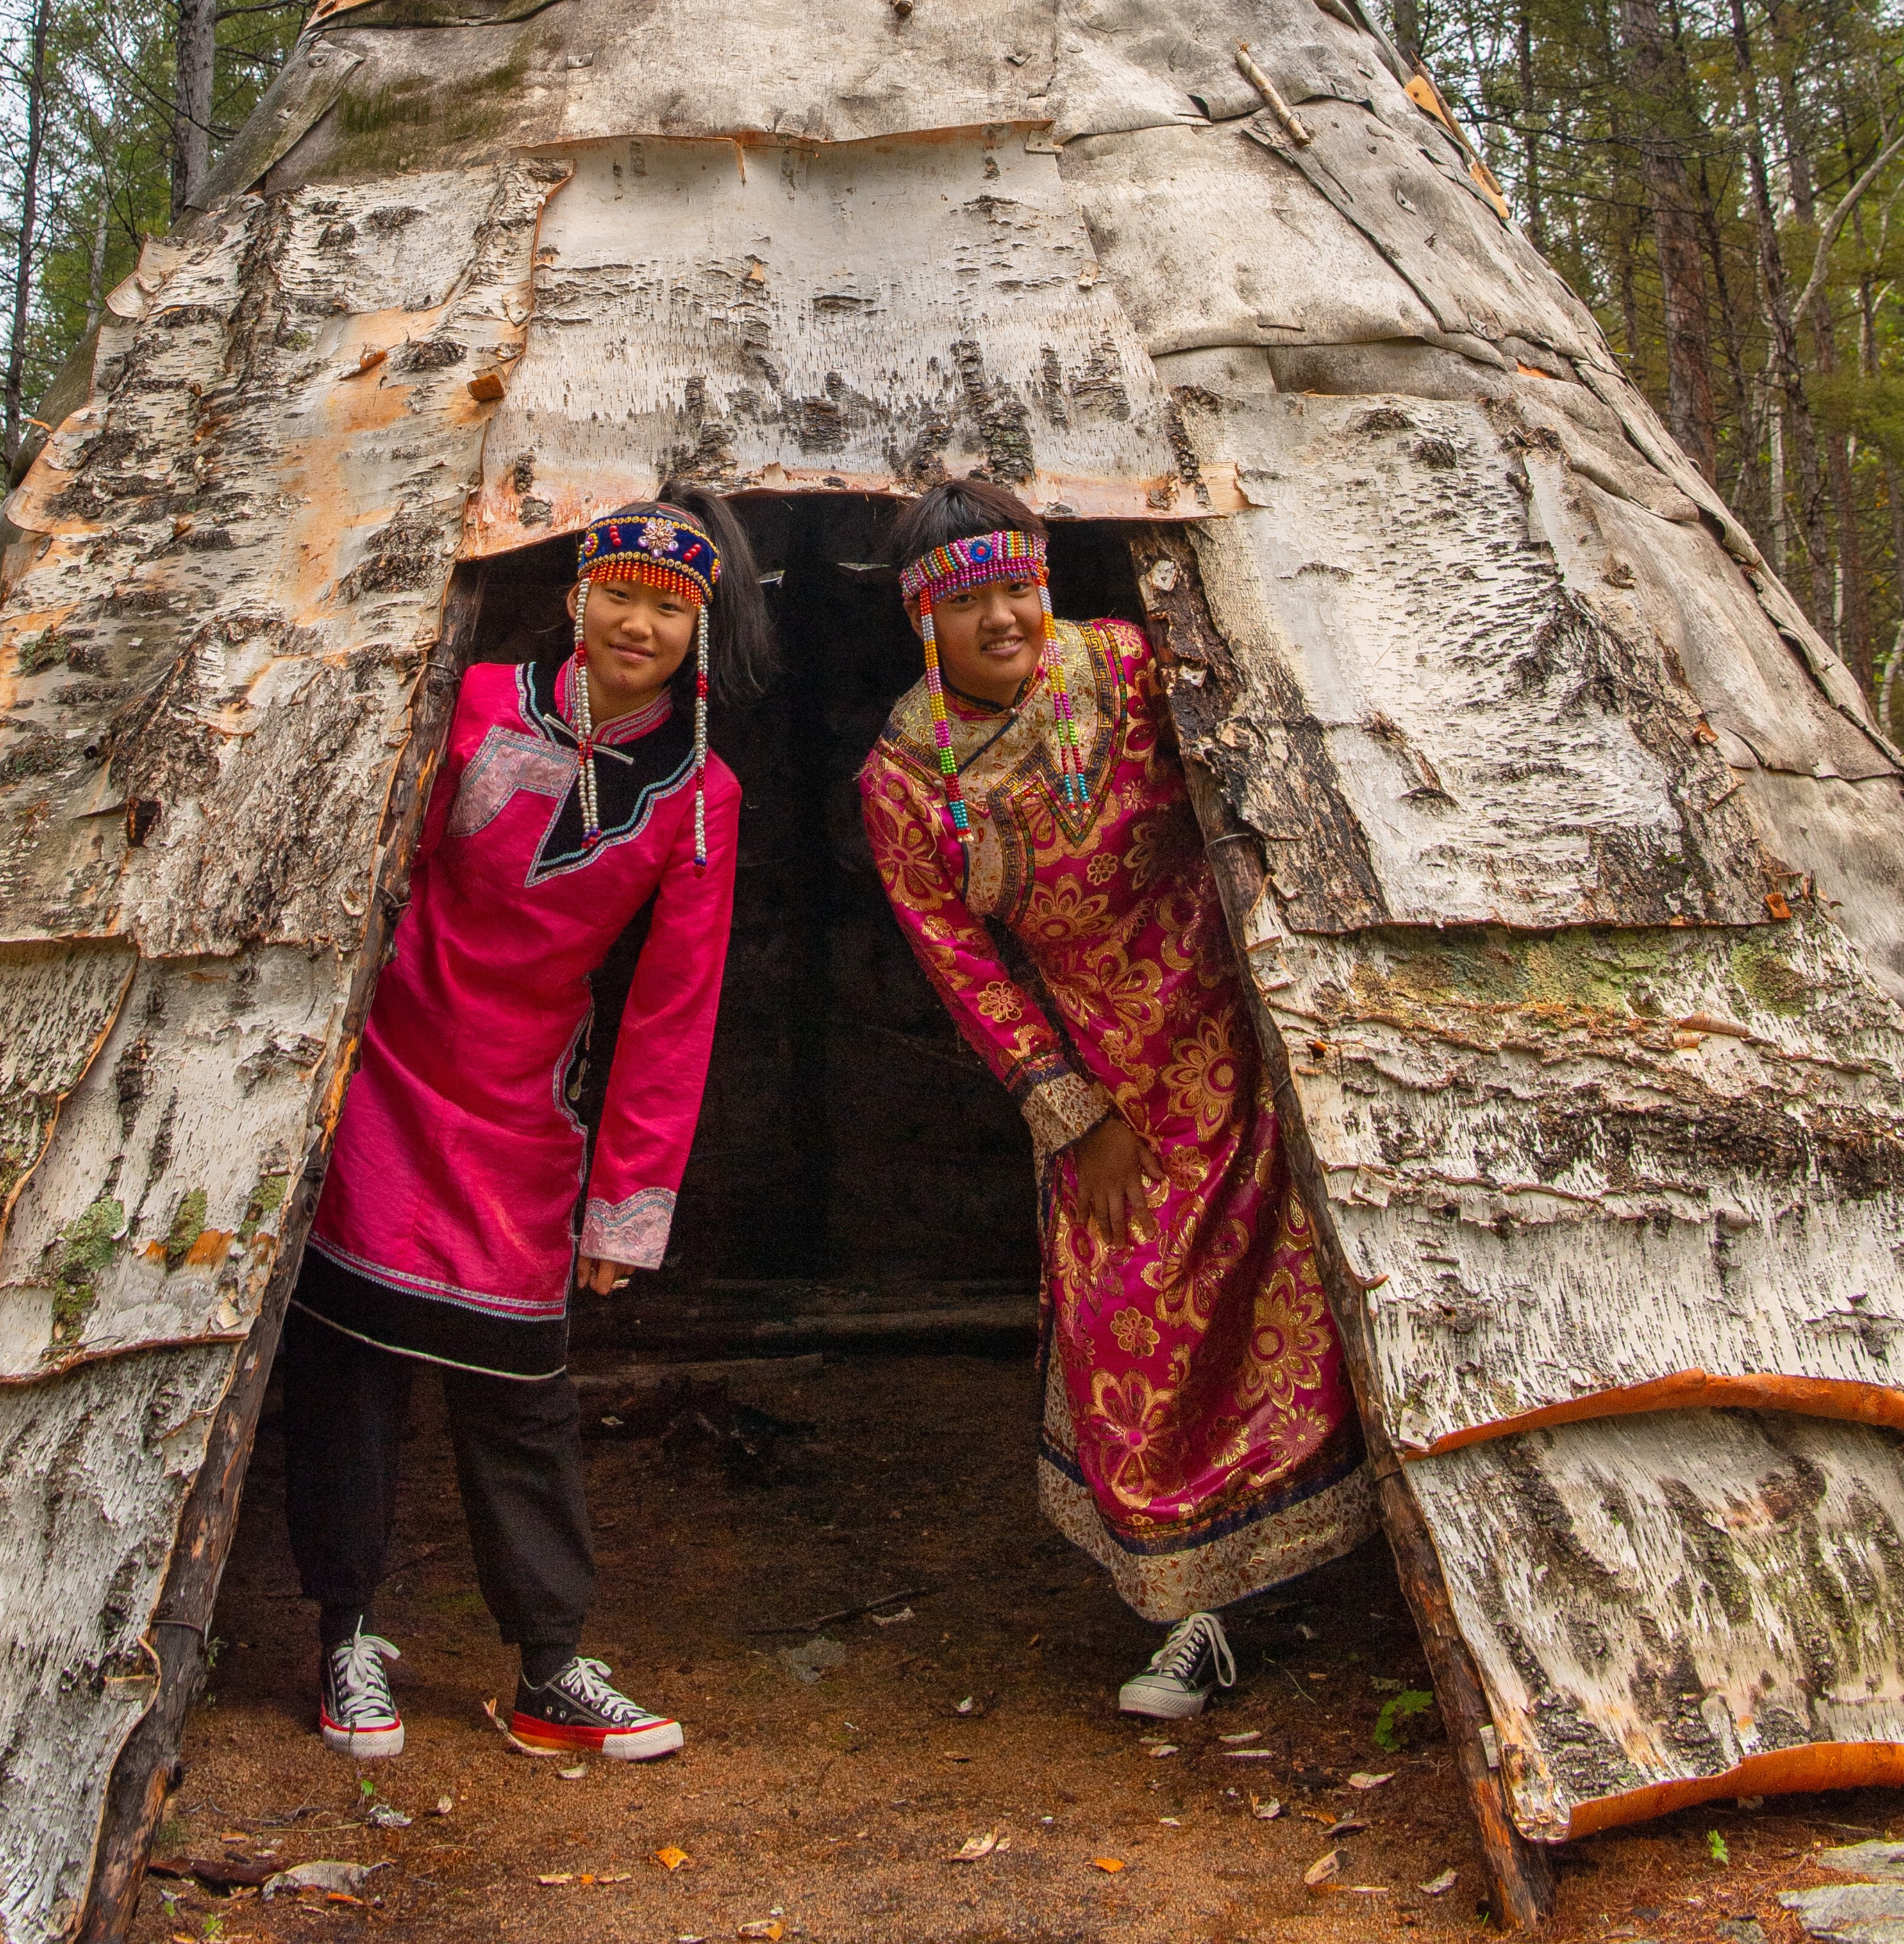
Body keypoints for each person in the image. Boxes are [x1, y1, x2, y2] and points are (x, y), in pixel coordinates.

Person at [855, 479, 1371, 1717]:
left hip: (1251, 1030)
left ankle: (1336, 1565)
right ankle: (1191, 1604)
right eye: (971, 602)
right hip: (1111, 1083)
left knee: (1306, 1296)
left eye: (1020, 590)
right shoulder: (908, 776)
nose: (1004, 622)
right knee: (1138, 1319)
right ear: (927, 621)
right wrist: (1069, 1111)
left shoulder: (1141, 669)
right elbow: (960, 961)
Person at [281, 484, 771, 1766]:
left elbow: (675, 1010)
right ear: (575, 598)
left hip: (523, 1101)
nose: (639, 624)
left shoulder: (701, 796)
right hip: (386, 1063)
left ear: (699, 627)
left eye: (670, 608)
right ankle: (347, 1633)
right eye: (619, 595)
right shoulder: (474, 702)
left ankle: (550, 1664)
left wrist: (630, 1201)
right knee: (354, 1367)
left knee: (521, 1389)